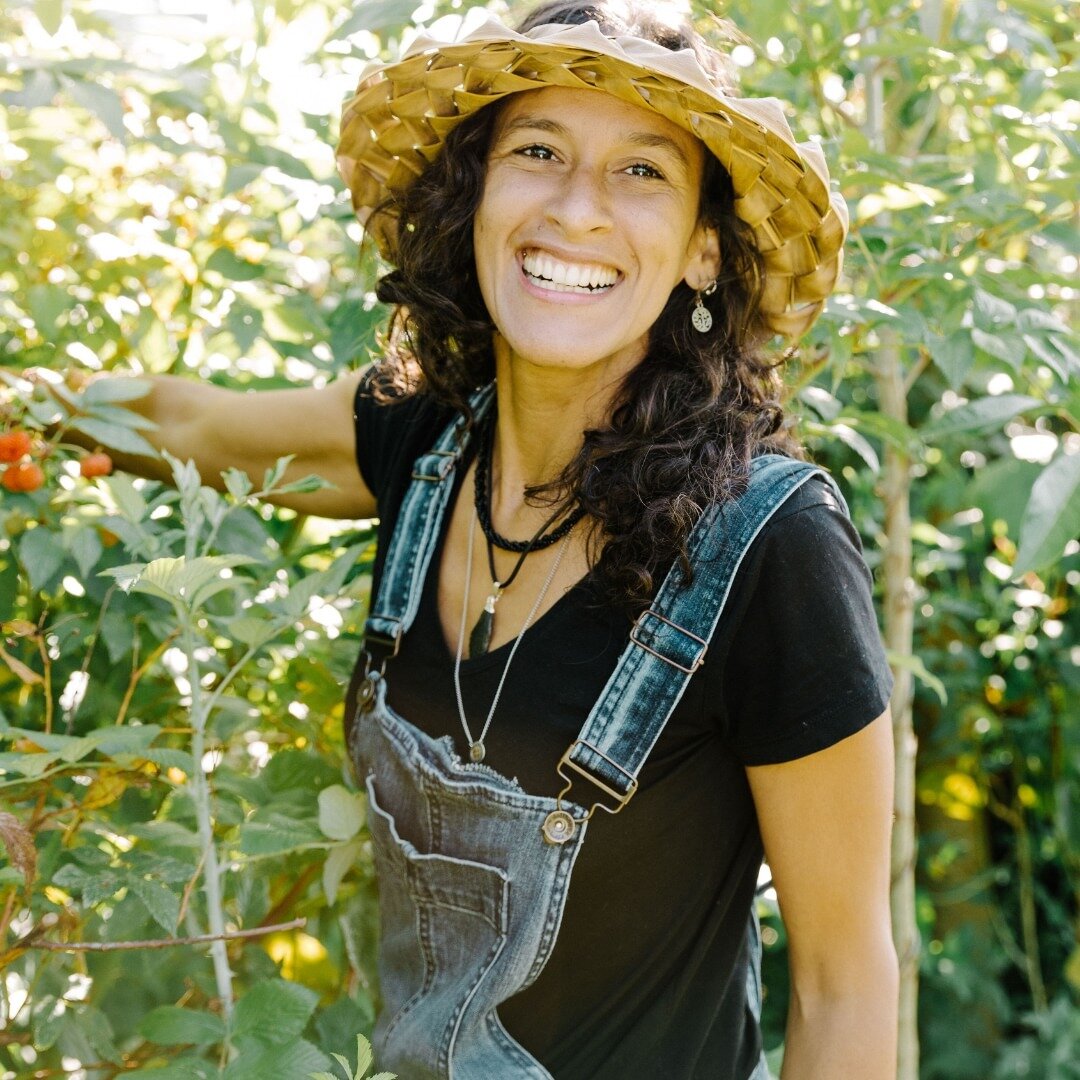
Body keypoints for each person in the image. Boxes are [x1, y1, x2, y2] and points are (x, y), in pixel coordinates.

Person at [63, 2, 898, 1077]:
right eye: (537, 151)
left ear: (701, 251)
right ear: (476, 198)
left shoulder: (770, 549)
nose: (577, 210)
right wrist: (36, 403)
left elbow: (844, 984)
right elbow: (189, 424)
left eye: (641, 171)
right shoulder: (420, 445)